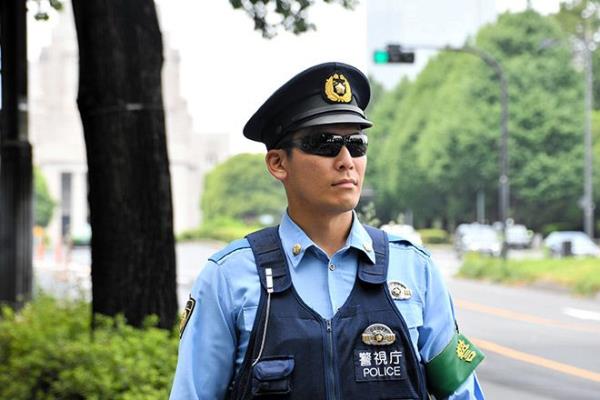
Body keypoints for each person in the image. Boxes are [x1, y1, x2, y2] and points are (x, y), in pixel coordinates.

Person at [170, 62, 485, 399]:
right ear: (278, 163)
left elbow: (461, 392)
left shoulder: (415, 269)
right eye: (325, 143)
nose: (347, 159)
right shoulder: (228, 278)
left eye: (357, 143)